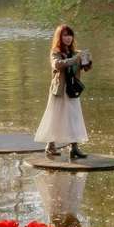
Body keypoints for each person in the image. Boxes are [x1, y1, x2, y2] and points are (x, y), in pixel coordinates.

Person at [35, 24, 91, 160]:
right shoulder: (55, 52)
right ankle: (50, 145)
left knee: (74, 117)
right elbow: (57, 64)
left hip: (72, 89)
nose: (68, 38)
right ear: (60, 37)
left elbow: (83, 68)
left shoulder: (75, 53)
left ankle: (74, 148)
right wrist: (74, 59)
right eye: (65, 35)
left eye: (70, 35)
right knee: (55, 117)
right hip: (59, 90)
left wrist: (87, 62)